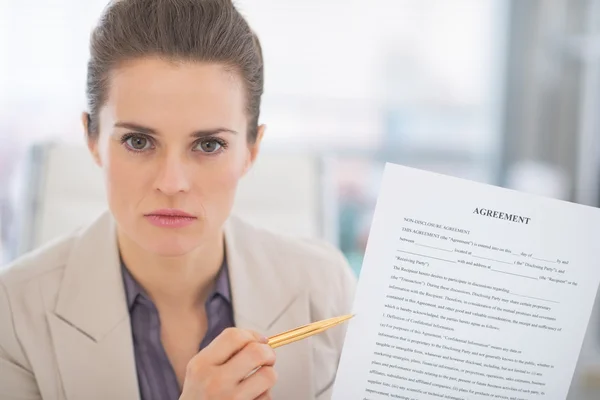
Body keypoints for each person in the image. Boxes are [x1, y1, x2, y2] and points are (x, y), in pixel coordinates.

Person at [0, 0, 357, 399]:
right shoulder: (12, 312)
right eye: (138, 141)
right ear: (91, 139)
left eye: (208, 144)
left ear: (252, 150)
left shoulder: (325, 290)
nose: (172, 183)